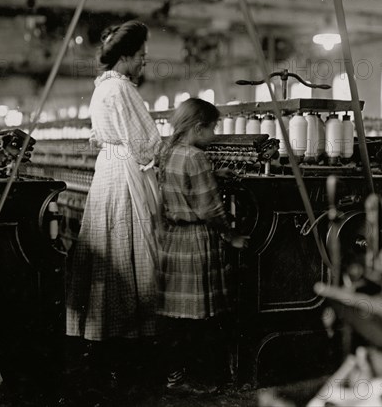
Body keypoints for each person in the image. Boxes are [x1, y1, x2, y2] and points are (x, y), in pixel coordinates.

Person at [65, 20, 162, 391]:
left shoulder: (101, 88)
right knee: (132, 255)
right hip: (125, 175)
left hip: (108, 169)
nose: (143, 64)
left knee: (109, 250)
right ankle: (127, 351)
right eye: (141, 57)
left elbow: (100, 137)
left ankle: (102, 346)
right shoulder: (122, 89)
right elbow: (146, 142)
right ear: (125, 58)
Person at [157, 98, 248, 394]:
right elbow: (210, 209)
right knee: (202, 315)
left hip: (173, 239)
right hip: (197, 242)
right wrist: (231, 235)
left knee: (177, 314)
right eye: (213, 128)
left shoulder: (168, 150)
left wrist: (214, 176)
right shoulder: (196, 157)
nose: (215, 134)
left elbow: (181, 184)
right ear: (199, 127)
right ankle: (200, 378)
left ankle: (174, 374)